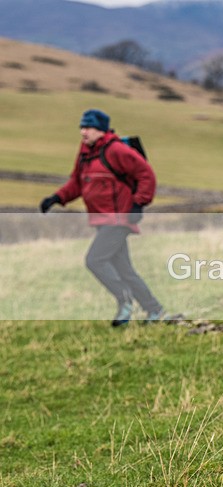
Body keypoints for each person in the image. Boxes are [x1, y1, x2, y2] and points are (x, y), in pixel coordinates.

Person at [40, 109, 168, 326]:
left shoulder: (116, 150)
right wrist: (56, 198)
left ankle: (124, 300)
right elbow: (77, 183)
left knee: (95, 260)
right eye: (81, 127)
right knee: (125, 270)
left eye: (88, 127)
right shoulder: (85, 154)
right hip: (101, 220)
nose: (83, 132)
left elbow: (146, 174)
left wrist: (138, 204)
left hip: (119, 219)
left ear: (101, 130)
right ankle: (155, 310)